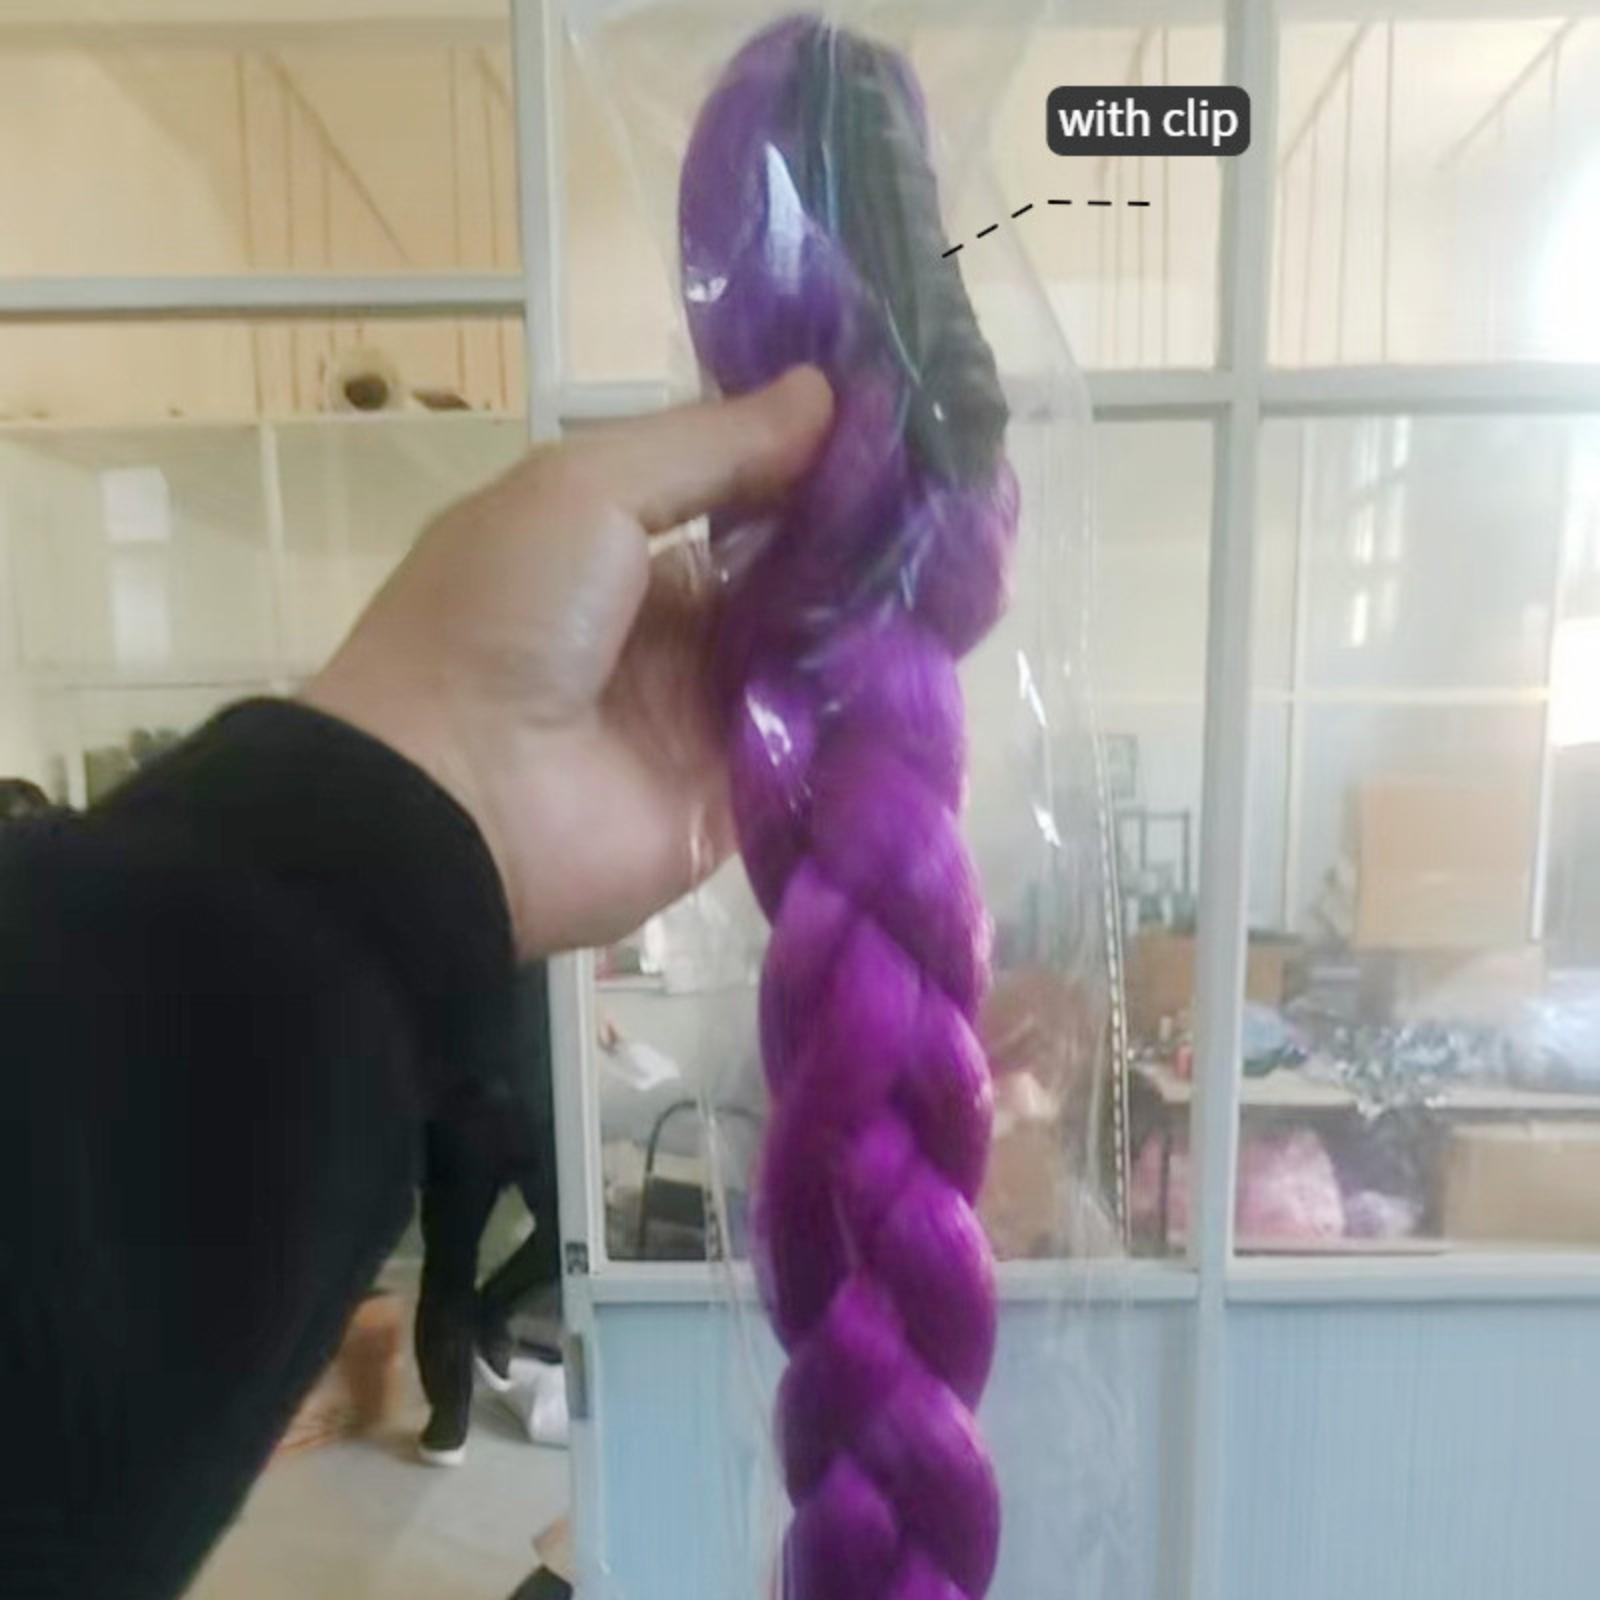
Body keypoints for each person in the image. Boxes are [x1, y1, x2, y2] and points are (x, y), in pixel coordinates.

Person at [0, 367, 833, 1599]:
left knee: (471, 1253)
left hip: (441, 1094)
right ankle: (467, 1369)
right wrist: (415, 796)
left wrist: (423, 791)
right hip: (460, 1094)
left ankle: (459, 1384)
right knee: (510, 1243)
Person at [415, 964, 563, 1466]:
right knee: (450, 1263)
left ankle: (488, 1314)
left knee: (571, 1236)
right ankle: (448, 1417)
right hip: (465, 1102)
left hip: (525, 1092)